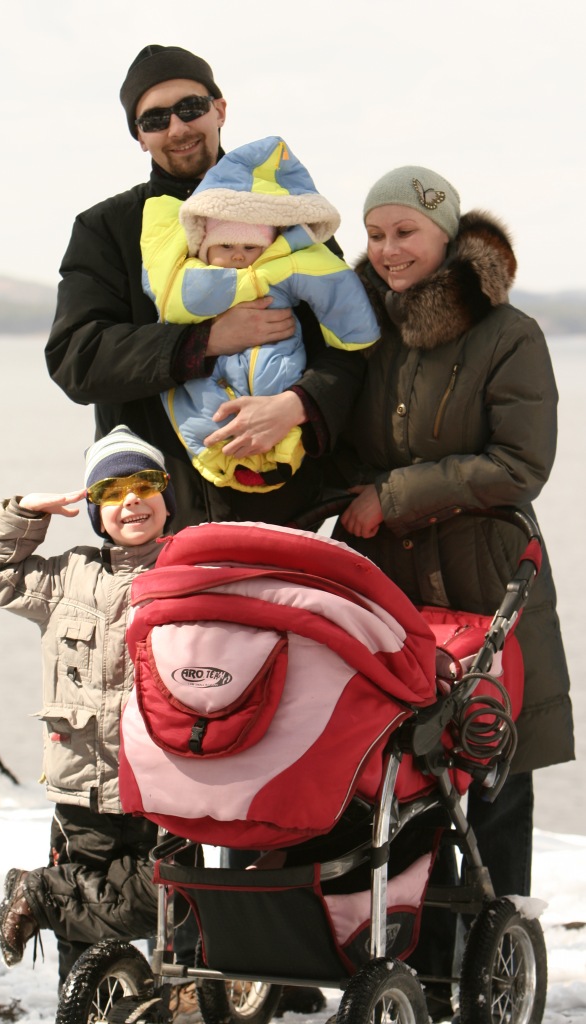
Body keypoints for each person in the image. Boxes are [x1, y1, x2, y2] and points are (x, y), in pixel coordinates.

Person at [327, 164, 575, 1018]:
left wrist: (393, 495)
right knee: (406, 782)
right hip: (392, 592)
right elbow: (338, 446)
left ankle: (496, 972)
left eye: (406, 232)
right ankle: (421, 973)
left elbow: (520, 464)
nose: (388, 250)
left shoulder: (509, 334)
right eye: (375, 234)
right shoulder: (360, 330)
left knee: (495, 775)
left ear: (447, 234)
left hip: (489, 581)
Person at [45, 44, 367, 530]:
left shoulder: (288, 211)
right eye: (155, 119)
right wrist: (204, 340)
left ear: (220, 109)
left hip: (283, 513)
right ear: (139, 137)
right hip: (155, 519)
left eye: (190, 108)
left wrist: (299, 404)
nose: (177, 128)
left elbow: (352, 345)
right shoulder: (105, 229)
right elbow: (77, 358)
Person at [0, 426, 198, 1019]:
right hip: (84, 787)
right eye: (112, 491)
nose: (131, 500)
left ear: (167, 497)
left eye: (145, 483)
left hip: (167, 787)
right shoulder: (67, 576)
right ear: (96, 510)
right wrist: (27, 511)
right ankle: (89, 1009)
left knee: (175, 905)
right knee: (85, 935)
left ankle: (44, 898)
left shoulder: (194, 570)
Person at [140, 135, 379, 493]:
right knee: (206, 414)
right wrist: (208, 340)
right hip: (199, 415)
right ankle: (218, 455)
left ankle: (280, 456)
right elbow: (166, 299)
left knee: (277, 391)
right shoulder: (188, 275)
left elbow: (332, 285)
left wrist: (353, 336)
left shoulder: (286, 265)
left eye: (250, 247)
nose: (238, 256)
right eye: (225, 246)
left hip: (279, 370)